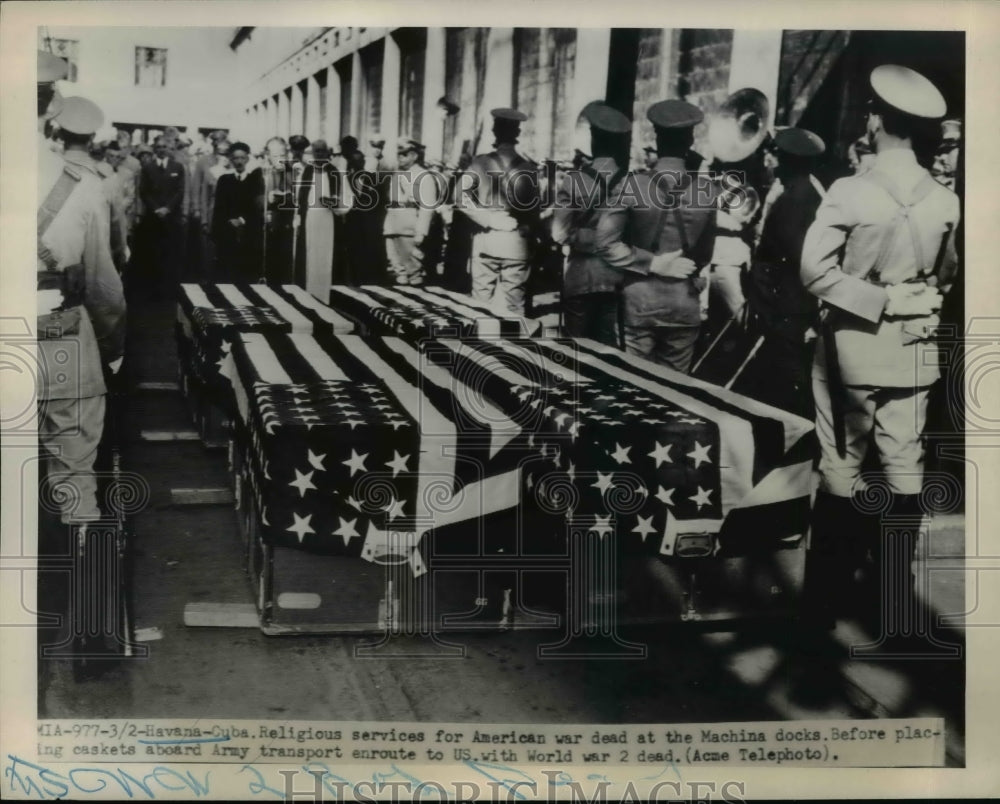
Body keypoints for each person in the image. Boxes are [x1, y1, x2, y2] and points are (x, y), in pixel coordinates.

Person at [798, 65, 960, 644]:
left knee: (841, 465)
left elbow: (813, 272)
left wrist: (878, 300)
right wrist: (907, 298)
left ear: (876, 119)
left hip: (855, 346)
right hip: (916, 346)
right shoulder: (946, 199)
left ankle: (820, 607)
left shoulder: (851, 189)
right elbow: (946, 275)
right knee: (905, 463)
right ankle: (895, 603)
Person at [37, 83, 127, 532]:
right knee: (73, 458)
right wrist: (110, 348)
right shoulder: (85, 186)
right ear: (49, 111)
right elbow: (103, 286)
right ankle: (82, 571)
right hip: (57, 329)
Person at [594, 100, 718, 373]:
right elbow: (705, 252)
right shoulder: (708, 190)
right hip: (684, 304)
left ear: (656, 139)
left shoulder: (633, 184)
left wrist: (652, 263)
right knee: (674, 393)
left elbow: (604, 242)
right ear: (691, 141)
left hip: (640, 305)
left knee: (636, 387)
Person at [742, 127, 827, 417]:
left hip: (787, 309)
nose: (773, 163)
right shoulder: (805, 191)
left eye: (778, 157)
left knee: (785, 385)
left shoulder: (795, 200)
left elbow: (794, 258)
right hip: (789, 307)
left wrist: (770, 303)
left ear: (790, 161)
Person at [551, 101, 633, 346]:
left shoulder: (574, 181)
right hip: (614, 278)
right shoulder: (631, 184)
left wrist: (584, 238)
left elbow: (558, 233)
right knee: (607, 349)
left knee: (575, 350)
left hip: (580, 276)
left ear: (594, 141)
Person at [464, 108, 541, 315]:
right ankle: (515, 345)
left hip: (486, 239)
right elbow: (535, 211)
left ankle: (480, 345)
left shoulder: (479, 163)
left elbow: (460, 198)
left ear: (494, 131)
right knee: (515, 306)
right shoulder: (530, 169)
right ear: (517, 134)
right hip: (516, 242)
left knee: (480, 304)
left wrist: (487, 219)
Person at [383, 138, 441, 287]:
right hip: (392, 226)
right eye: (399, 154)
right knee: (398, 271)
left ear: (414, 156)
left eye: (404, 154)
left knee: (414, 272)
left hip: (410, 229)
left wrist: (421, 232)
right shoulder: (397, 174)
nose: (400, 157)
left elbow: (427, 207)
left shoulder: (423, 176)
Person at [137, 134, 186, 298]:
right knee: (153, 253)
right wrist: (156, 209)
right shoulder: (147, 167)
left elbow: (180, 191)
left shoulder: (177, 167)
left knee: (171, 252)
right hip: (153, 218)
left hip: (172, 218)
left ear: (169, 148)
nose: (162, 150)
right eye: (158, 147)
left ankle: (170, 289)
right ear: (154, 149)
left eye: (164, 147)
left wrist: (168, 208)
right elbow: (143, 191)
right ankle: (153, 289)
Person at [210, 141, 265, 283]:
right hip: (228, 230)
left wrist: (242, 220)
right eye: (235, 158)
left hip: (249, 230)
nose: (239, 161)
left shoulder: (255, 180)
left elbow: (256, 207)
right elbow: (219, 206)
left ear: (247, 159)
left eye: (242, 158)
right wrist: (226, 223)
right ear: (231, 160)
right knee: (227, 270)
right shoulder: (224, 179)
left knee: (246, 270)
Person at [297, 139, 345, 299]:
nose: (319, 155)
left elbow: (346, 201)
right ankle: (308, 295)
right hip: (309, 219)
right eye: (316, 151)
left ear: (327, 153)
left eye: (322, 151)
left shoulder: (335, 172)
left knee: (325, 257)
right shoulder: (306, 172)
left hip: (327, 220)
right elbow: (299, 198)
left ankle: (323, 296)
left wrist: (334, 204)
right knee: (309, 256)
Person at [262, 136, 296, 284]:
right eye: (275, 155)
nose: (279, 159)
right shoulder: (262, 172)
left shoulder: (293, 172)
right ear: (268, 155)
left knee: (286, 259)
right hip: (267, 222)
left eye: (282, 155)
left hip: (287, 222)